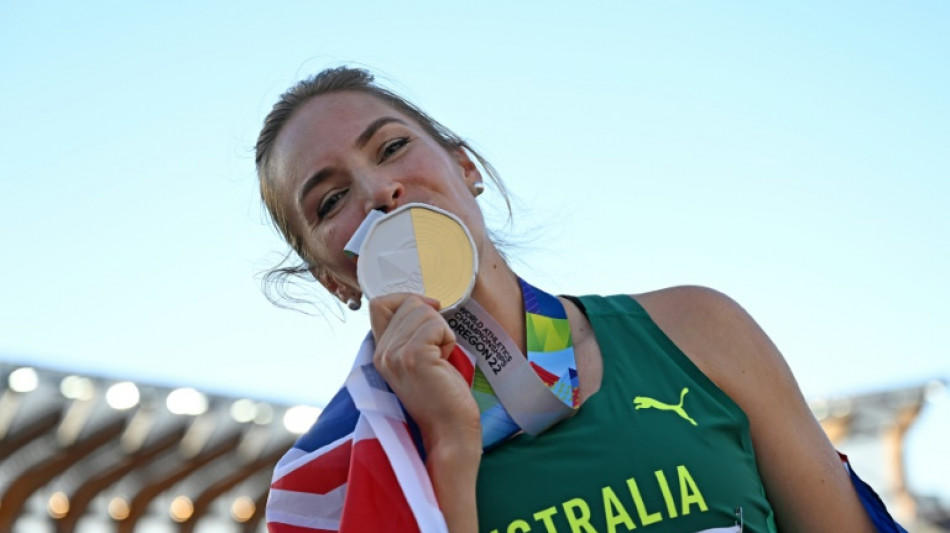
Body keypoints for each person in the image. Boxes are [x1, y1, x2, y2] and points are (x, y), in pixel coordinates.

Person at [256, 66, 898, 533]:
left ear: (466, 169)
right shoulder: (337, 477)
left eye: (393, 147)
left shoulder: (695, 330)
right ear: (334, 279)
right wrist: (450, 446)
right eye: (331, 200)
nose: (379, 190)